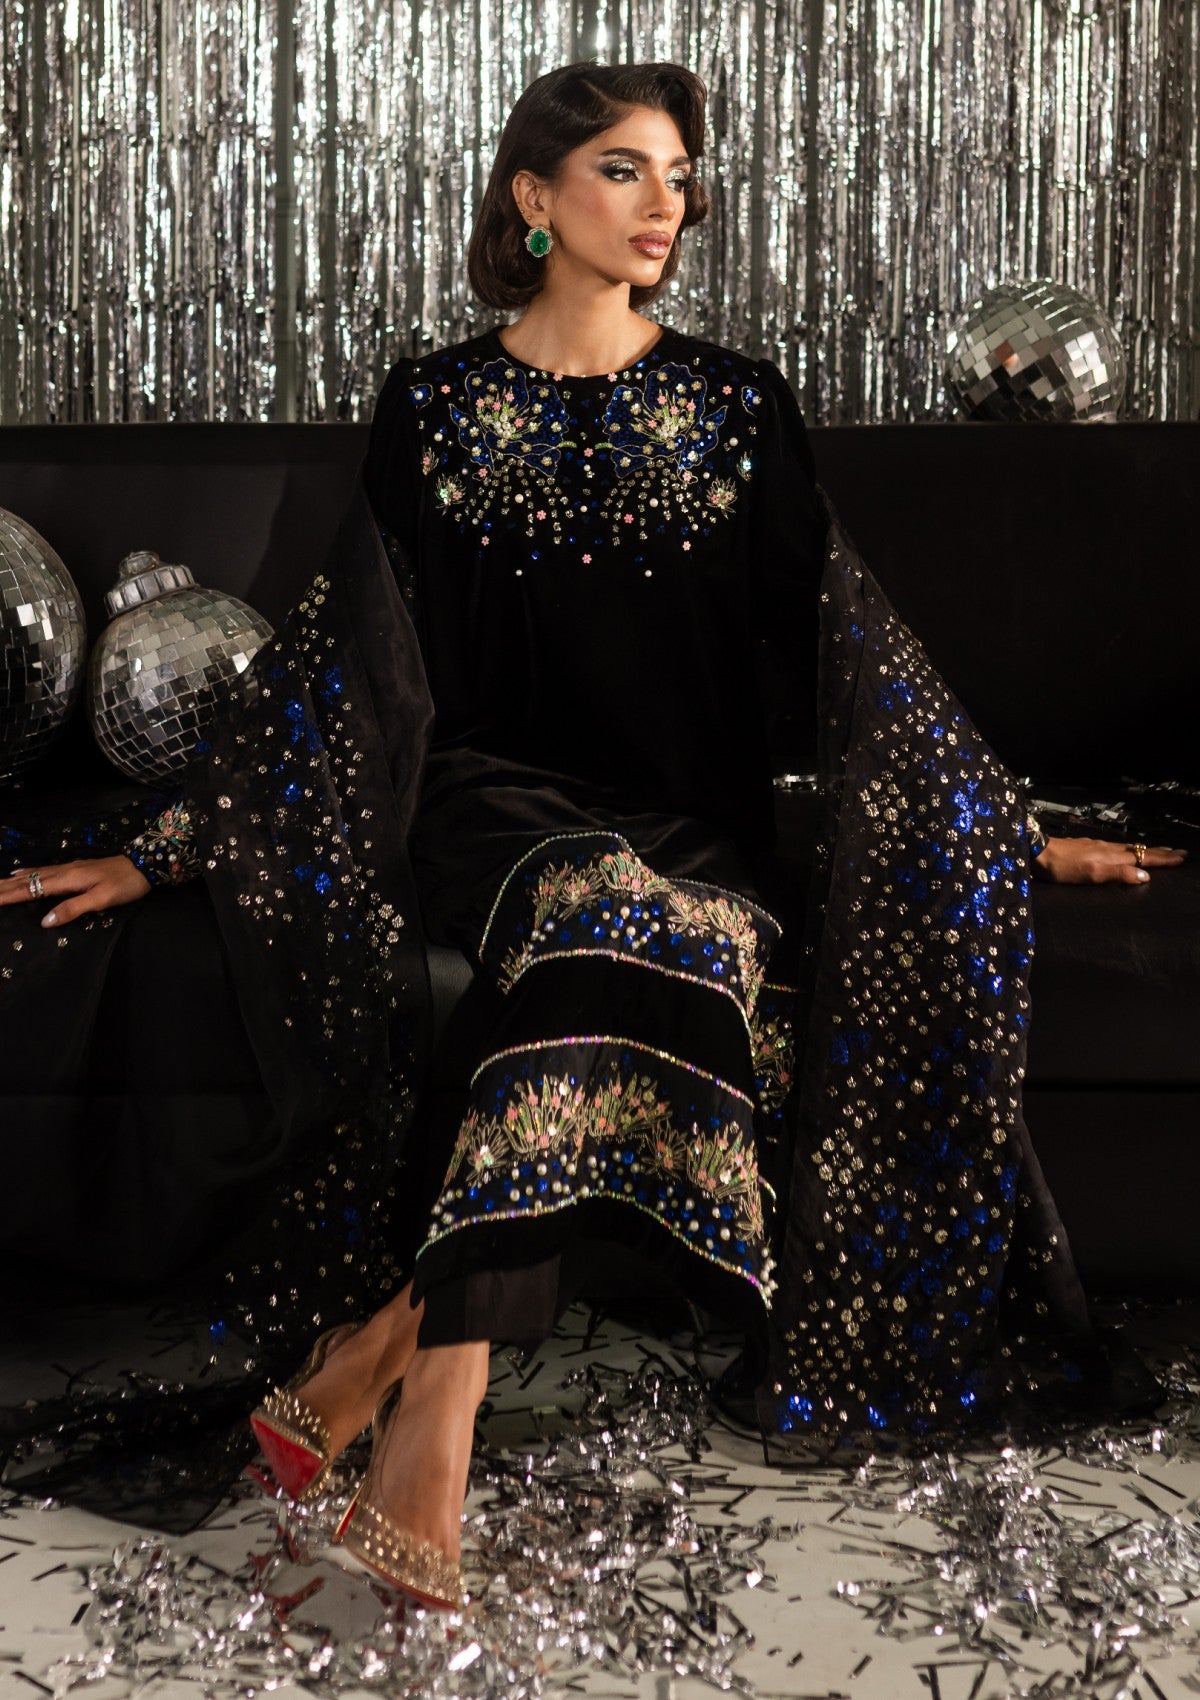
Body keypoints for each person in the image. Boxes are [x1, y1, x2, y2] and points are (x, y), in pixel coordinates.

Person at [0, 62, 1184, 1606]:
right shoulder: (433, 406)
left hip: (693, 827)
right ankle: (437, 1421)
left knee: (646, 935)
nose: (665, 204)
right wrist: (173, 841)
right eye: (625, 169)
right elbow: (343, 664)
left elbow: (850, 652)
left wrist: (999, 829)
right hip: (488, 805)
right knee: (606, 920)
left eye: (679, 175)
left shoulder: (738, 405)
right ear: (534, 195)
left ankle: (386, 1351)